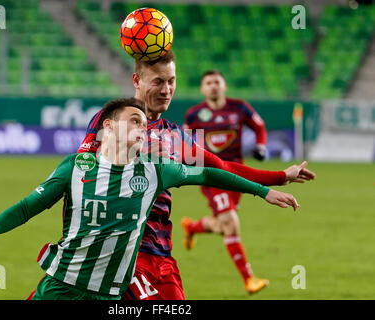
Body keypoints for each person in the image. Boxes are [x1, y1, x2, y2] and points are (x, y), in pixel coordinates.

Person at [0, 97, 300, 300]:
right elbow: (29, 207)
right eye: (133, 120)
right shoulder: (77, 166)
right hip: (60, 287)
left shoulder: (157, 170)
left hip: (112, 296)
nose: (142, 127)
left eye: (144, 123)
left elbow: (210, 171)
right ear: (108, 128)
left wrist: (265, 190)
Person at [78, 52, 316, 300]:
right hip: (119, 252)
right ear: (137, 81)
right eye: (158, 82)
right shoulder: (112, 120)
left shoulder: (174, 136)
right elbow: (82, 171)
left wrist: (278, 177)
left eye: (171, 81)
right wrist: (133, 156)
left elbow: (222, 167)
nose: (166, 90)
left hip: (160, 254)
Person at [181, 69, 284, 293]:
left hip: (237, 174)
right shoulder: (194, 114)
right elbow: (187, 141)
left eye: (217, 81)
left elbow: (259, 126)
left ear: (224, 85)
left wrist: (261, 146)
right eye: (208, 83)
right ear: (202, 89)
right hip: (212, 175)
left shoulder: (239, 107)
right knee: (231, 222)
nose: (213, 86)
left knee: (222, 226)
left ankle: (192, 227)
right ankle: (249, 279)